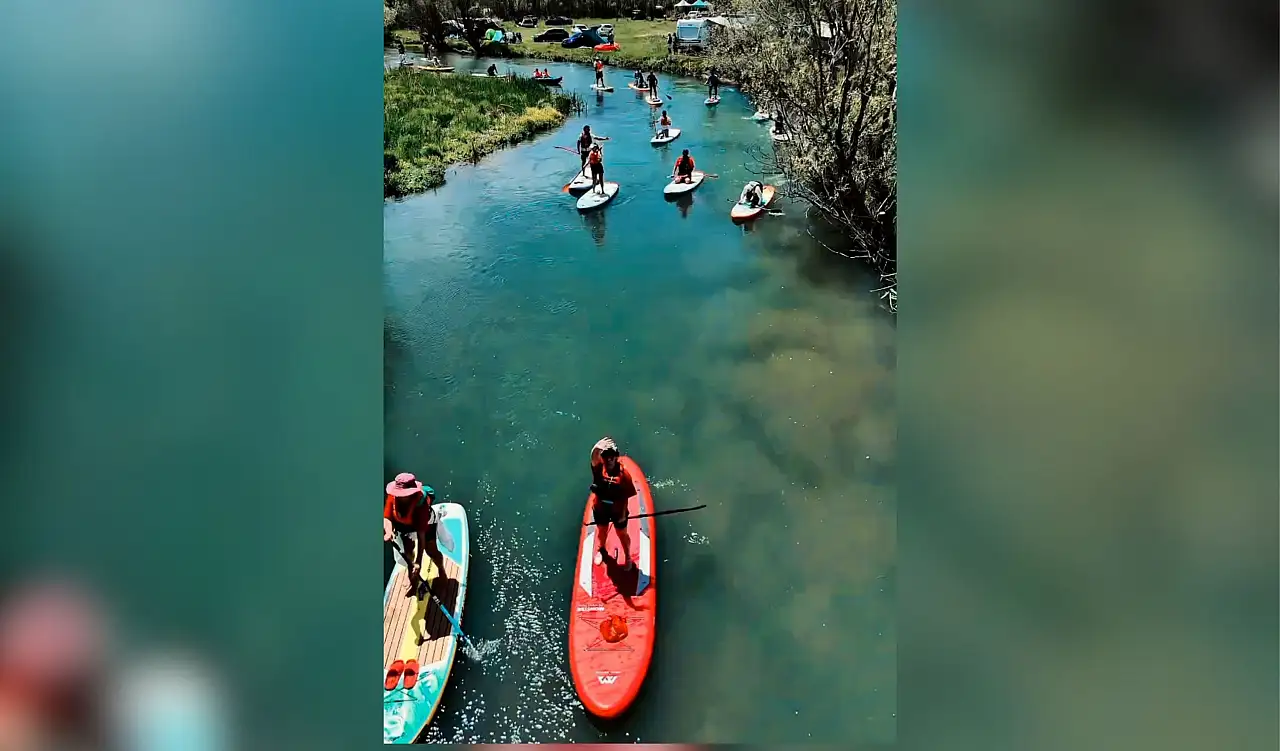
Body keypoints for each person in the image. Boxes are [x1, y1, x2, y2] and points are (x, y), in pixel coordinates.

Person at [383, 473, 448, 599]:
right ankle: (413, 582)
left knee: (431, 551)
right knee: (408, 555)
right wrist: (389, 530)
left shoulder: (420, 504)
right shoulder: (393, 497)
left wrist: (419, 561)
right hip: (405, 526)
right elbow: (387, 516)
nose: (400, 496)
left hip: (425, 524)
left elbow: (421, 534)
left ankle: (442, 572)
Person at [587, 437, 635, 569]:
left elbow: (626, 497)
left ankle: (628, 557)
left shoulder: (624, 475)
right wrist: (596, 448)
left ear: (616, 457)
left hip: (618, 511)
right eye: (606, 456)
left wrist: (623, 514)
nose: (609, 459)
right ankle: (601, 550)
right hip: (601, 508)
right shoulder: (599, 470)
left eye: (612, 456)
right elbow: (593, 459)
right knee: (601, 531)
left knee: (622, 534)